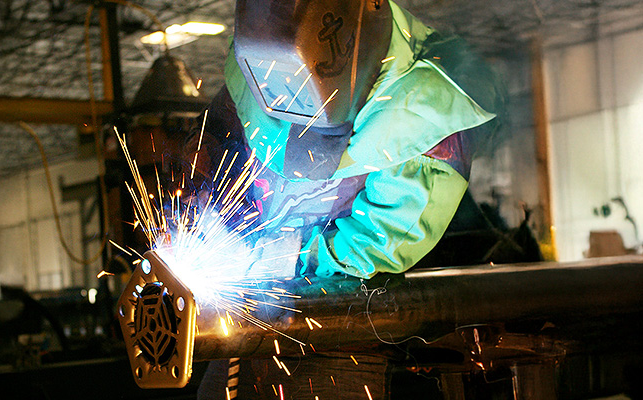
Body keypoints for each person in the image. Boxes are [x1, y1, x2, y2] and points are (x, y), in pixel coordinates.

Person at [187, 0, 505, 398]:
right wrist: (209, 210)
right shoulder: (263, 49)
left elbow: (385, 239)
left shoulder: (428, 113)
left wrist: (289, 257)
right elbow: (222, 137)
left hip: (338, 331)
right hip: (245, 314)